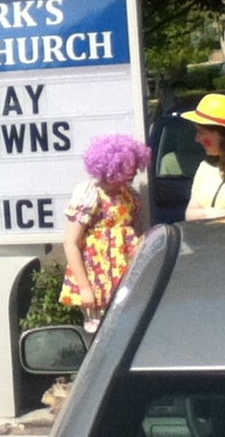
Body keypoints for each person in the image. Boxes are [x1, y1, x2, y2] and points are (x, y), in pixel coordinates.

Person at [58, 133, 151, 331]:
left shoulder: (130, 195)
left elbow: (135, 232)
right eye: (125, 170)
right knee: (100, 329)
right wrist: (84, 288)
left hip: (125, 273)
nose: (131, 175)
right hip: (98, 277)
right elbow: (71, 242)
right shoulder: (90, 195)